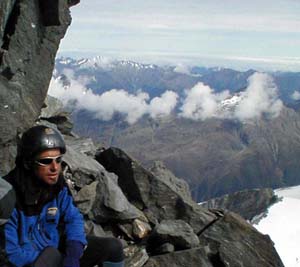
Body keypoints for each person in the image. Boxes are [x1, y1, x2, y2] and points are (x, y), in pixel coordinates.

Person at [3, 125, 124, 267]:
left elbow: (73, 218)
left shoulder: (56, 186)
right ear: (28, 163)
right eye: (46, 161)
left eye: (58, 159)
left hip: (54, 251)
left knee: (113, 248)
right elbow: (9, 254)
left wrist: (74, 251)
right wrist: (59, 261)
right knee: (51, 256)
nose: (55, 167)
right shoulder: (7, 197)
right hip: (30, 262)